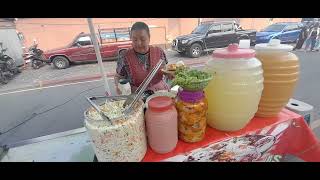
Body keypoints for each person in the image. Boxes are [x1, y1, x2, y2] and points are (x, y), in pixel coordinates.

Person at [114, 22, 170, 95]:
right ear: (131, 38)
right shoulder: (124, 56)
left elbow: (165, 70)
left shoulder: (159, 52)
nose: (139, 43)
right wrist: (119, 86)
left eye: (143, 39)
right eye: (135, 40)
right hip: (137, 96)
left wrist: (170, 75)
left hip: (159, 93)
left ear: (149, 38)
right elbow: (118, 76)